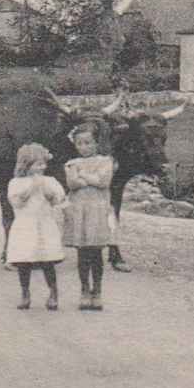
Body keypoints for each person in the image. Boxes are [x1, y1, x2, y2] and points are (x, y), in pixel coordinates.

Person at [5, 143, 66, 311]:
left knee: (47, 261)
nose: (42, 167)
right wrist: (31, 187)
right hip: (25, 225)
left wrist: (48, 192)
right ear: (27, 164)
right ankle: (25, 293)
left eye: (44, 164)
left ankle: (53, 293)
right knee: (24, 262)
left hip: (44, 224)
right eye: (38, 164)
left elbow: (57, 200)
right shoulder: (16, 183)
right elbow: (16, 203)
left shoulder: (49, 181)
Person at [64, 122, 117, 311]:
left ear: (96, 143)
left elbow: (103, 182)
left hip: (97, 211)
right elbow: (72, 184)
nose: (84, 147)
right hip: (79, 211)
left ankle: (98, 291)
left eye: (88, 143)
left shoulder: (105, 161)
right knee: (82, 253)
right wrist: (89, 178)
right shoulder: (71, 163)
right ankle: (84, 290)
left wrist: (83, 176)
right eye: (80, 144)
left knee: (96, 253)